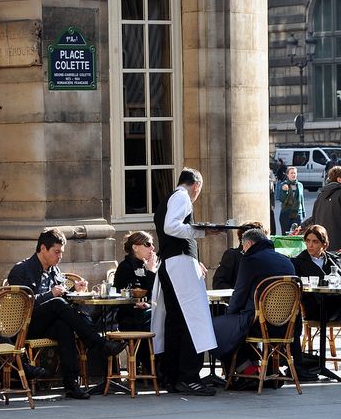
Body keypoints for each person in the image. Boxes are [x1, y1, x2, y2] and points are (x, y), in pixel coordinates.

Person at [7, 228, 126, 400]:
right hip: (25, 324)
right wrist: (51, 295)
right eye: (56, 252)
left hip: (48, 323)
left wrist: (73, 290)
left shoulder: (54, 270)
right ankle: (96, 343)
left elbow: (61, 298)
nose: (59, 257)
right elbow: (22, 304)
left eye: (61, 253)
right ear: (42, 249)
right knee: (56, 303)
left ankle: (72, 384)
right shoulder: (21, 270)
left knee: (64, 327)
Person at [212, 228, 315, 385]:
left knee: (217, 325)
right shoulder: (286, 261)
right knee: (234, 325)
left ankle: (243, 370)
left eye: (243, 247)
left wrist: (229, 314)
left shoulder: (250, 259)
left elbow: (239, 294)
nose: (243, 251)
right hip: (285, 326)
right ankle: (255, 369)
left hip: (258, 324)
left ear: (249, 244)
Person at [151, 167, 217, 396]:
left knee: (176, 321)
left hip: (170, 263)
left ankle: (173, 377)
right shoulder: (182, 197)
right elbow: (172, 226)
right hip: (180, 263)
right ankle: (188, 376)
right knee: (194, 318)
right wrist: (200, 231)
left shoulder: (168, 199)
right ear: (196, 185)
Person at [292, 224, 341, 321]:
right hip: (313, 307)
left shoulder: (334, 260)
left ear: (324, 244)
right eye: (308, 241)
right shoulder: (298, 262)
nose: (310, 245)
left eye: (315, 242)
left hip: (335, 305)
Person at [113, 231, 157, 332]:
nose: (152, 248)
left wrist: (151, 271)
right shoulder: (125, 267)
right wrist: (151, 272)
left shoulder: (147, 265)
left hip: (147, 310)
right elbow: (136, 293)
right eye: (148, 244)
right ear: (135, 248)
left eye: (152, 244)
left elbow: (155, 293)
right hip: (131, 316)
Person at [212, 222, 265, 291]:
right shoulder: (232, 255)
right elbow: (218, 283)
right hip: (240, 299)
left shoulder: (266, 257)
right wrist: (238, 293)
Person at [312, 166, 341, 251]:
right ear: (339, 180)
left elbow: (314, 217)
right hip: (338, 245)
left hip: (323, 244)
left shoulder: (321, 195)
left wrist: (302, 226)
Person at [278, 166, 305, 235]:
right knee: (285, 234)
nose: (293, 175)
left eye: (295, 173)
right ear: (287, 175)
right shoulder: (283, 185)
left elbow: (301, 199)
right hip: (286, 212)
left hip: (297, 213)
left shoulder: (300, 185)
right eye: (291, 173)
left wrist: (303, 212)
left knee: (298, 234)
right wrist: (284, 191)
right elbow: (281, 199)